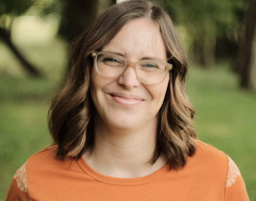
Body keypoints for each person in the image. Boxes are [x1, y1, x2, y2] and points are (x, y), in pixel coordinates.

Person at [6, 0, 249, 200]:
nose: (129, 80)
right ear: (87, 68)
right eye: (112, 59)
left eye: (150, 64)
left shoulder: (219, 179)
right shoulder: (33, 182)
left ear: (170, 78)